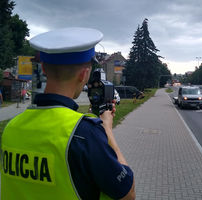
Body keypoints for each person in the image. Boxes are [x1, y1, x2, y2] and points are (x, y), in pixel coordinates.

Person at [1, 27, 135, 200]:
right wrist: (107, 130)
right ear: (84, 74)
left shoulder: (12, 127)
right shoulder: (85, 135)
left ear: (44, 68)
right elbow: (128, 193)